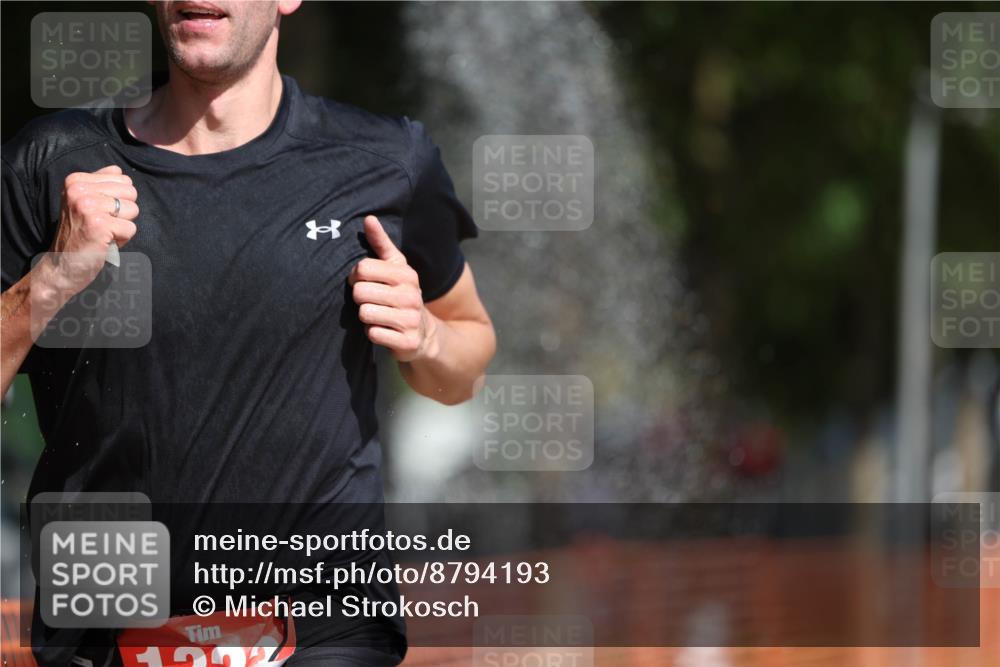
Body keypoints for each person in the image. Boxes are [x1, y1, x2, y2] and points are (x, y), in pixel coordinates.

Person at [0, 1, 496, 665]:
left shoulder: (385, 160)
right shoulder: (52, 161)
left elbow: (469, 356)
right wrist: (54, 278)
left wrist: (425, 335)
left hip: (321, 634)